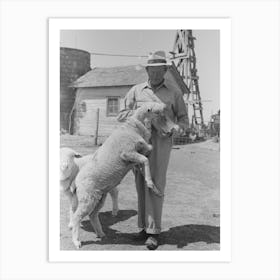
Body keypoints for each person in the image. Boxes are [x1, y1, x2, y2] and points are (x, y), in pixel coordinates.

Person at [117, 50, 188, 250]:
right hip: (138, 143)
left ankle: (154, 232)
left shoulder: (174, 93)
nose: (155, 73)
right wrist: (142, 113)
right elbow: (121, 115)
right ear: (147, 70)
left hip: (160, 145)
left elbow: (184, 121)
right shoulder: (135, 91)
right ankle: (142, 228)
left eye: (159, 70)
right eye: (151, 70)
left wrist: (174, 128)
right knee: (140, 184)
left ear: (165, 70)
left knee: (155, 185)